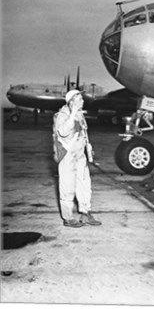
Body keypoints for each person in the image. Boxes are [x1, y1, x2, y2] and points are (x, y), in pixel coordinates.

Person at [53, 89, 101, 228]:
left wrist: (89, 146)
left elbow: (83, 132)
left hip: (80, 155)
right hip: (67, 155)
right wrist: (72, 114)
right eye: (80, 99)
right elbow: (62, 131)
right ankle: (68, 218)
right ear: (72, 102)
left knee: (85, 185)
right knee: (67, 186)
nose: (83, 101)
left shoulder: (80, 115)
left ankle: (85, 214)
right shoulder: (61, 115)